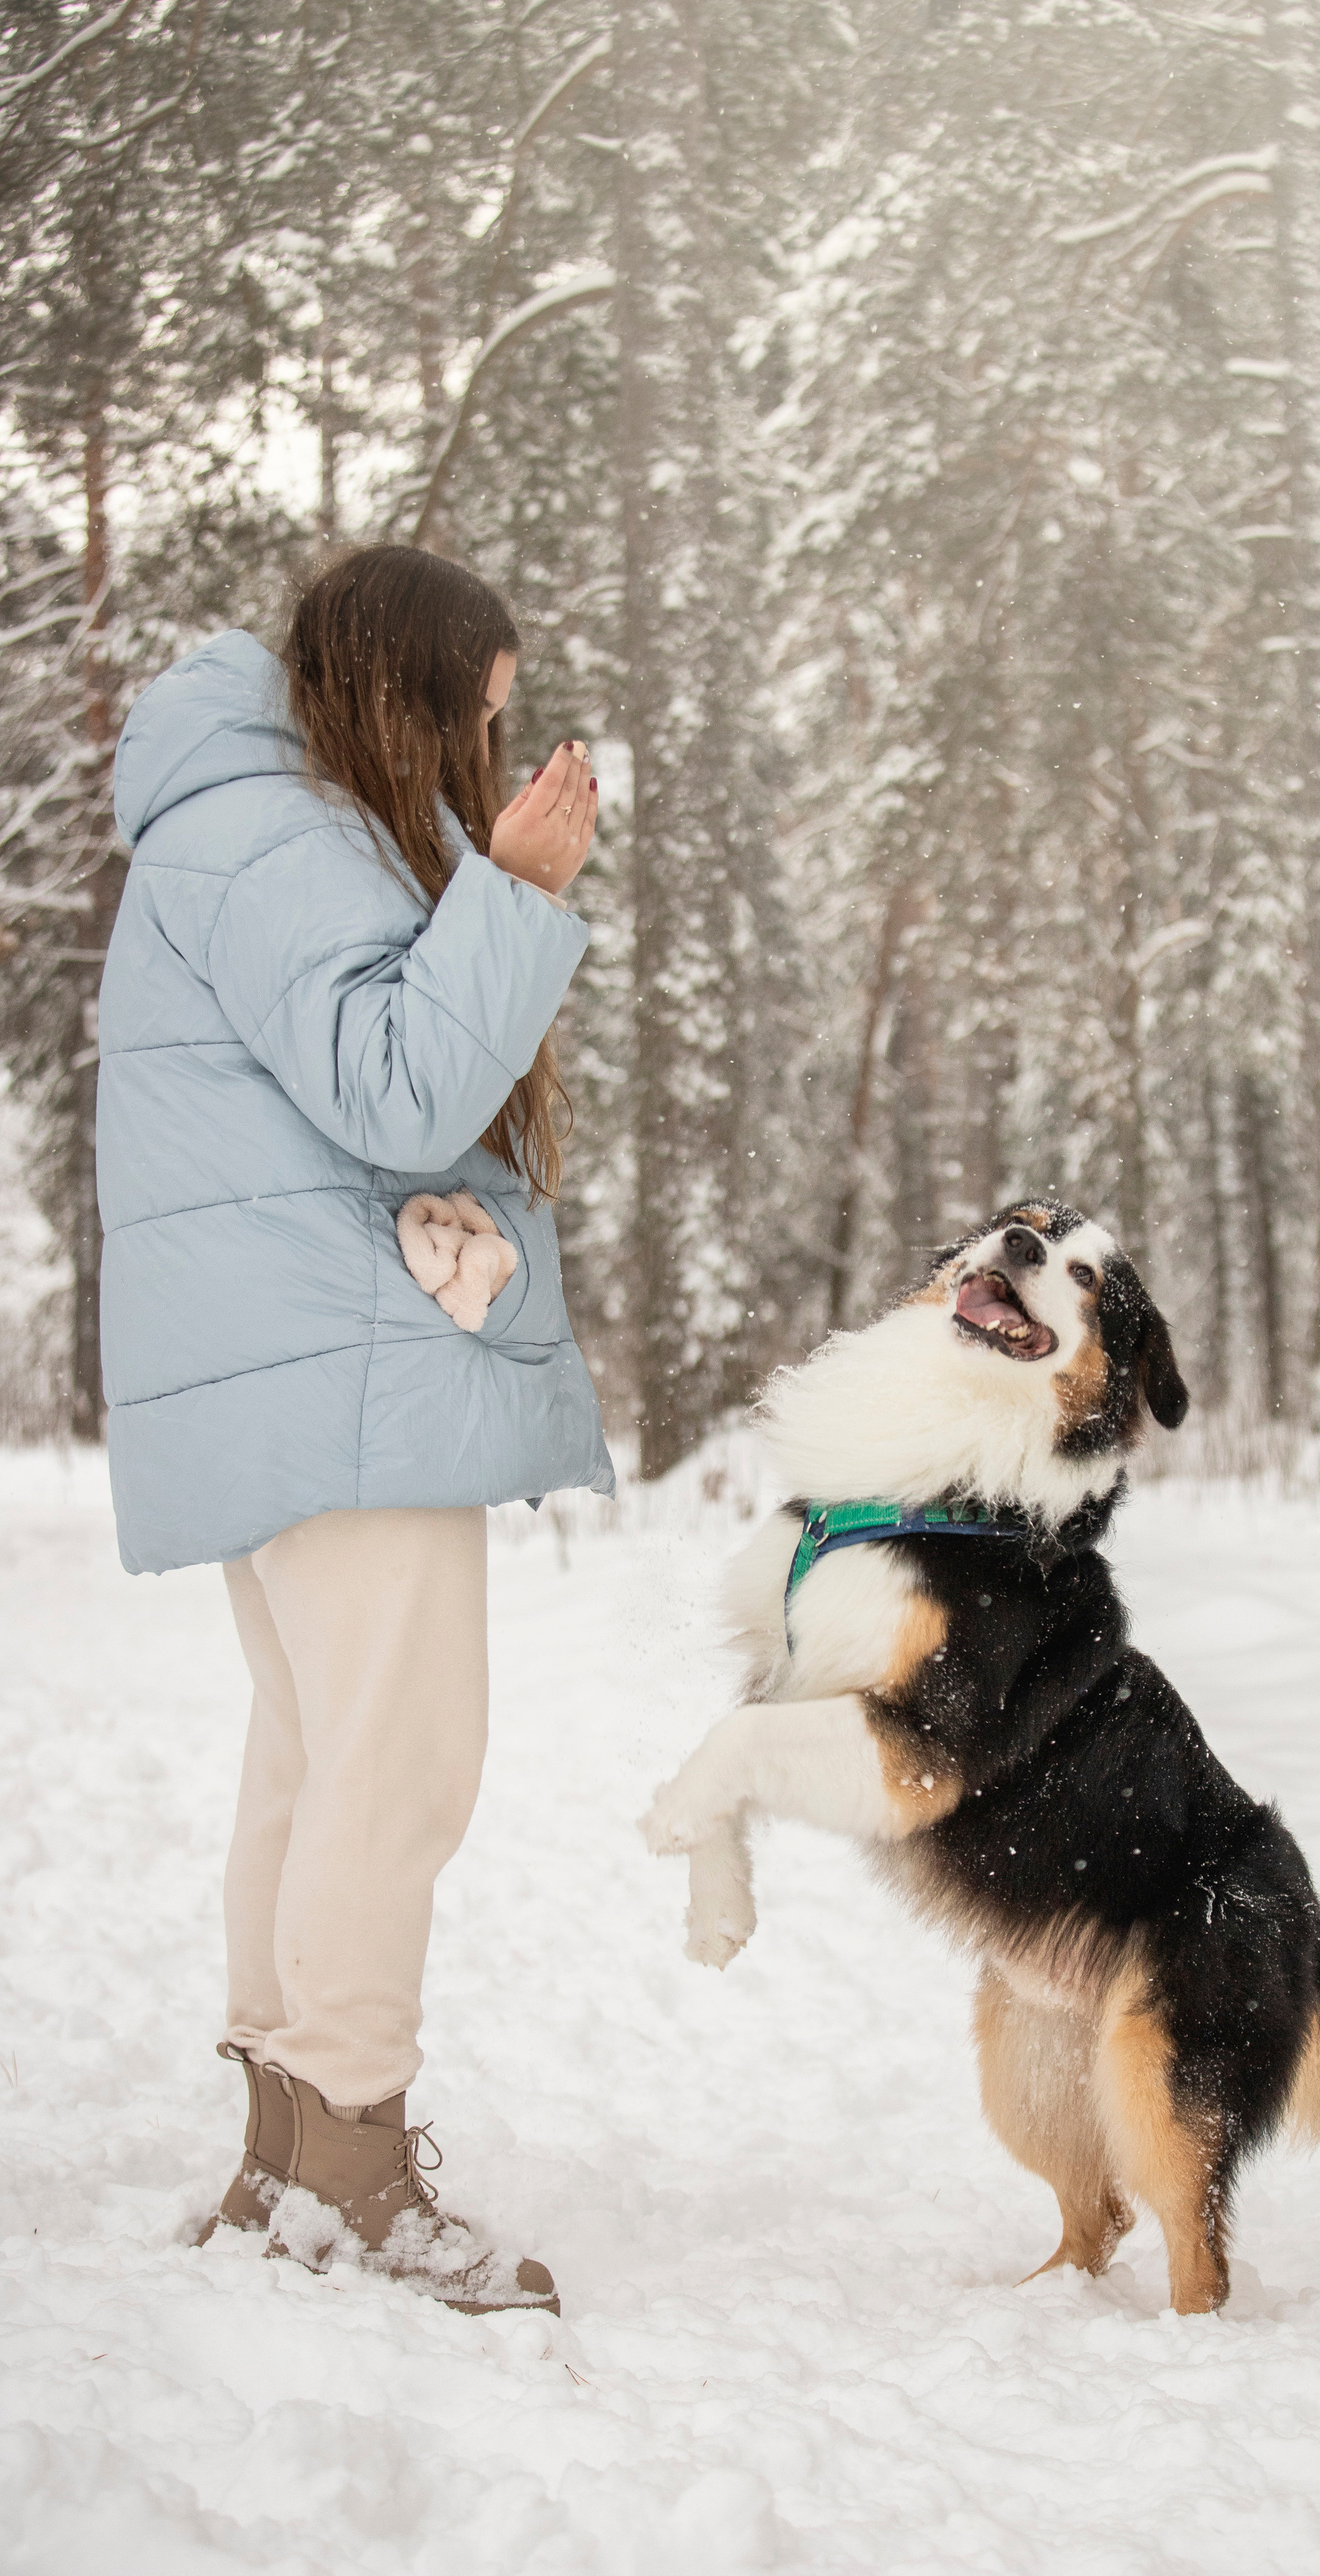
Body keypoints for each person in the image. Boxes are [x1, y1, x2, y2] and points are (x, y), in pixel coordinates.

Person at [97, 543, 615, 2316]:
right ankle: (348, 2166)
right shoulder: (278, 832)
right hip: (337, 1370)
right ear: (419, 683)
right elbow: (397, 1089)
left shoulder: (265, 818)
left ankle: (288, 2151)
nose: (505, 735)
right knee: (394, 1765)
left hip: (313, 1364)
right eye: (494, 701)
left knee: (317, 1763)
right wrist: (522, 893)